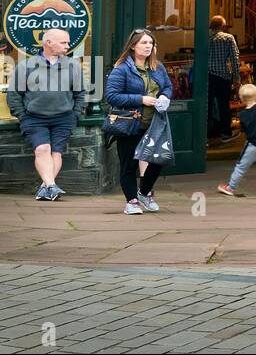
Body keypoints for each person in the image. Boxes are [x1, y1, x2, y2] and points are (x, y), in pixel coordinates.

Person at [7, 28, 86, 200]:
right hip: (34, 118)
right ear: (48, 43)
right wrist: (23, 115)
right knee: (42, 149)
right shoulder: (26, 66)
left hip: (64, 118)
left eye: (68, 42)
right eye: (63, 42)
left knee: (56, 152)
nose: (68, 45)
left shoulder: (73, 66)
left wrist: (75, 115)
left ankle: (46, 188)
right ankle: (51, 185)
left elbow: (80, 94)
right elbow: (14, 95)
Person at [105, 28, 173, 215]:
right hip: (130, 124)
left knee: (159, 160)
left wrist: (165, 96)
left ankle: (143, 193)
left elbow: (167, 86)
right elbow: (111, 96)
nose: (148, 46)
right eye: (144, 43)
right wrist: (140, 99)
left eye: (150, 43)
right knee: (129, 164)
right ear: (133, 46)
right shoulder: (122, 69)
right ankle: (131, 202)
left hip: (154, 124)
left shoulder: (157, 67)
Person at [207, 14, 241, 141]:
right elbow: (234, 58)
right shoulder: (228, 38)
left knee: (208, 106)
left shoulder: (206, 38)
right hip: (223, 77)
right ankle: (225, 133)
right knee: (223, 105)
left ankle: (207, 133)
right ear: (222, 26)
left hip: (207, 77)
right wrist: (237, 78)